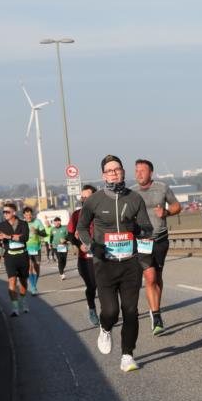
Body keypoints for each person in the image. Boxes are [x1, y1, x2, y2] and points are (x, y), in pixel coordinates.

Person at [78, 155, 153, 372]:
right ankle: (105, 327)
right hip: (105, 263)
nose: (114, 173)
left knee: (130, 311)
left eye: (117, 169)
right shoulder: (94, 200)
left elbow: (147, 227)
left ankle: (127, 355)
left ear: (123, 172)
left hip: (130, 263)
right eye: (109, 170)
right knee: (110, 311)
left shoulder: (135, 198)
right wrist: (92, 246)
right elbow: (81, 228)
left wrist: (140, 232)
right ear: (103, 175)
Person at [131, 159, 182, 335]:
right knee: (150, 277)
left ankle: (156, 308)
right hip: (142, 241)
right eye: (136, 170)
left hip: (161, 239)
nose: (138, 174)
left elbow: (177, 206)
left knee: (158, 277)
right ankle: (156, 315)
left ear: (150, 172)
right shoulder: (131, 192)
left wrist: (166, 212)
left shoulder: (162, 187)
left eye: (142, 171)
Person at [68, 185, 100, 327]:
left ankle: (107, 312)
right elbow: (70, 235)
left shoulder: (101, 213)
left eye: (88, 197)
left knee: (105, 286)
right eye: (83, 197)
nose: (84, 200)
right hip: (85, 258)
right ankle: (92, 308)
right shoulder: (76, 215)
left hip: (102, 256)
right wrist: (78, 243)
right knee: (92, 286)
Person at [0, 202, 31, 316]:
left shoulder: (23, 224)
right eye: (3, 212)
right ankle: (15, 308)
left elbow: (25, 238)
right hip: (9, 257)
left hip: (22, 256)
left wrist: (8, 237)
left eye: (7, 212)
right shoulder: (1, 225)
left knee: (23, 282)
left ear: (14, 212)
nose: (5, 214)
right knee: (12, 281)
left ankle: (23, 300)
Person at [22, 207, 47, 294]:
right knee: (29, 268)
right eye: (26, 215)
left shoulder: (37, 222)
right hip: (26, 248)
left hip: (36, 248)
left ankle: (34, 285)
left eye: (30, 215)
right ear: (24, 215)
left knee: (37, 267)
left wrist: (37, 231)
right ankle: (33, 287)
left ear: (32, 215)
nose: (28, 216)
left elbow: (44, 234)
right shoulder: (22, 224)